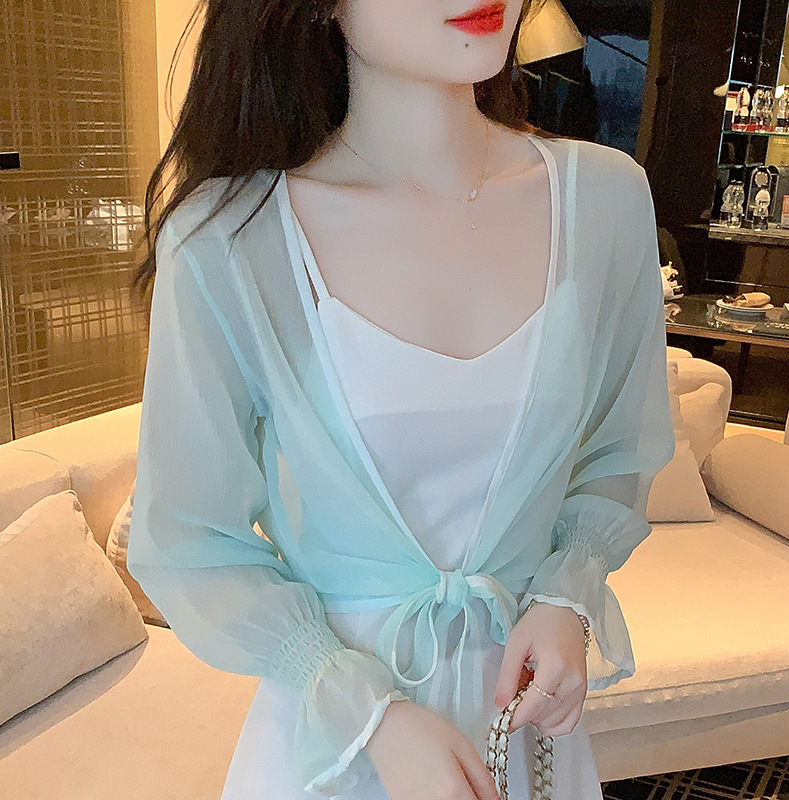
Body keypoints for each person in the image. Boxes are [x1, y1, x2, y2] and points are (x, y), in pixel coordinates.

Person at [127, 0, 675, 798]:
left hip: (521, 729)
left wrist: (569, 592)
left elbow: (619, 449)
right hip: (336, 742)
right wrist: (369, 715)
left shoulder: (605, 201)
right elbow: (189, 540)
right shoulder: (228, 237)